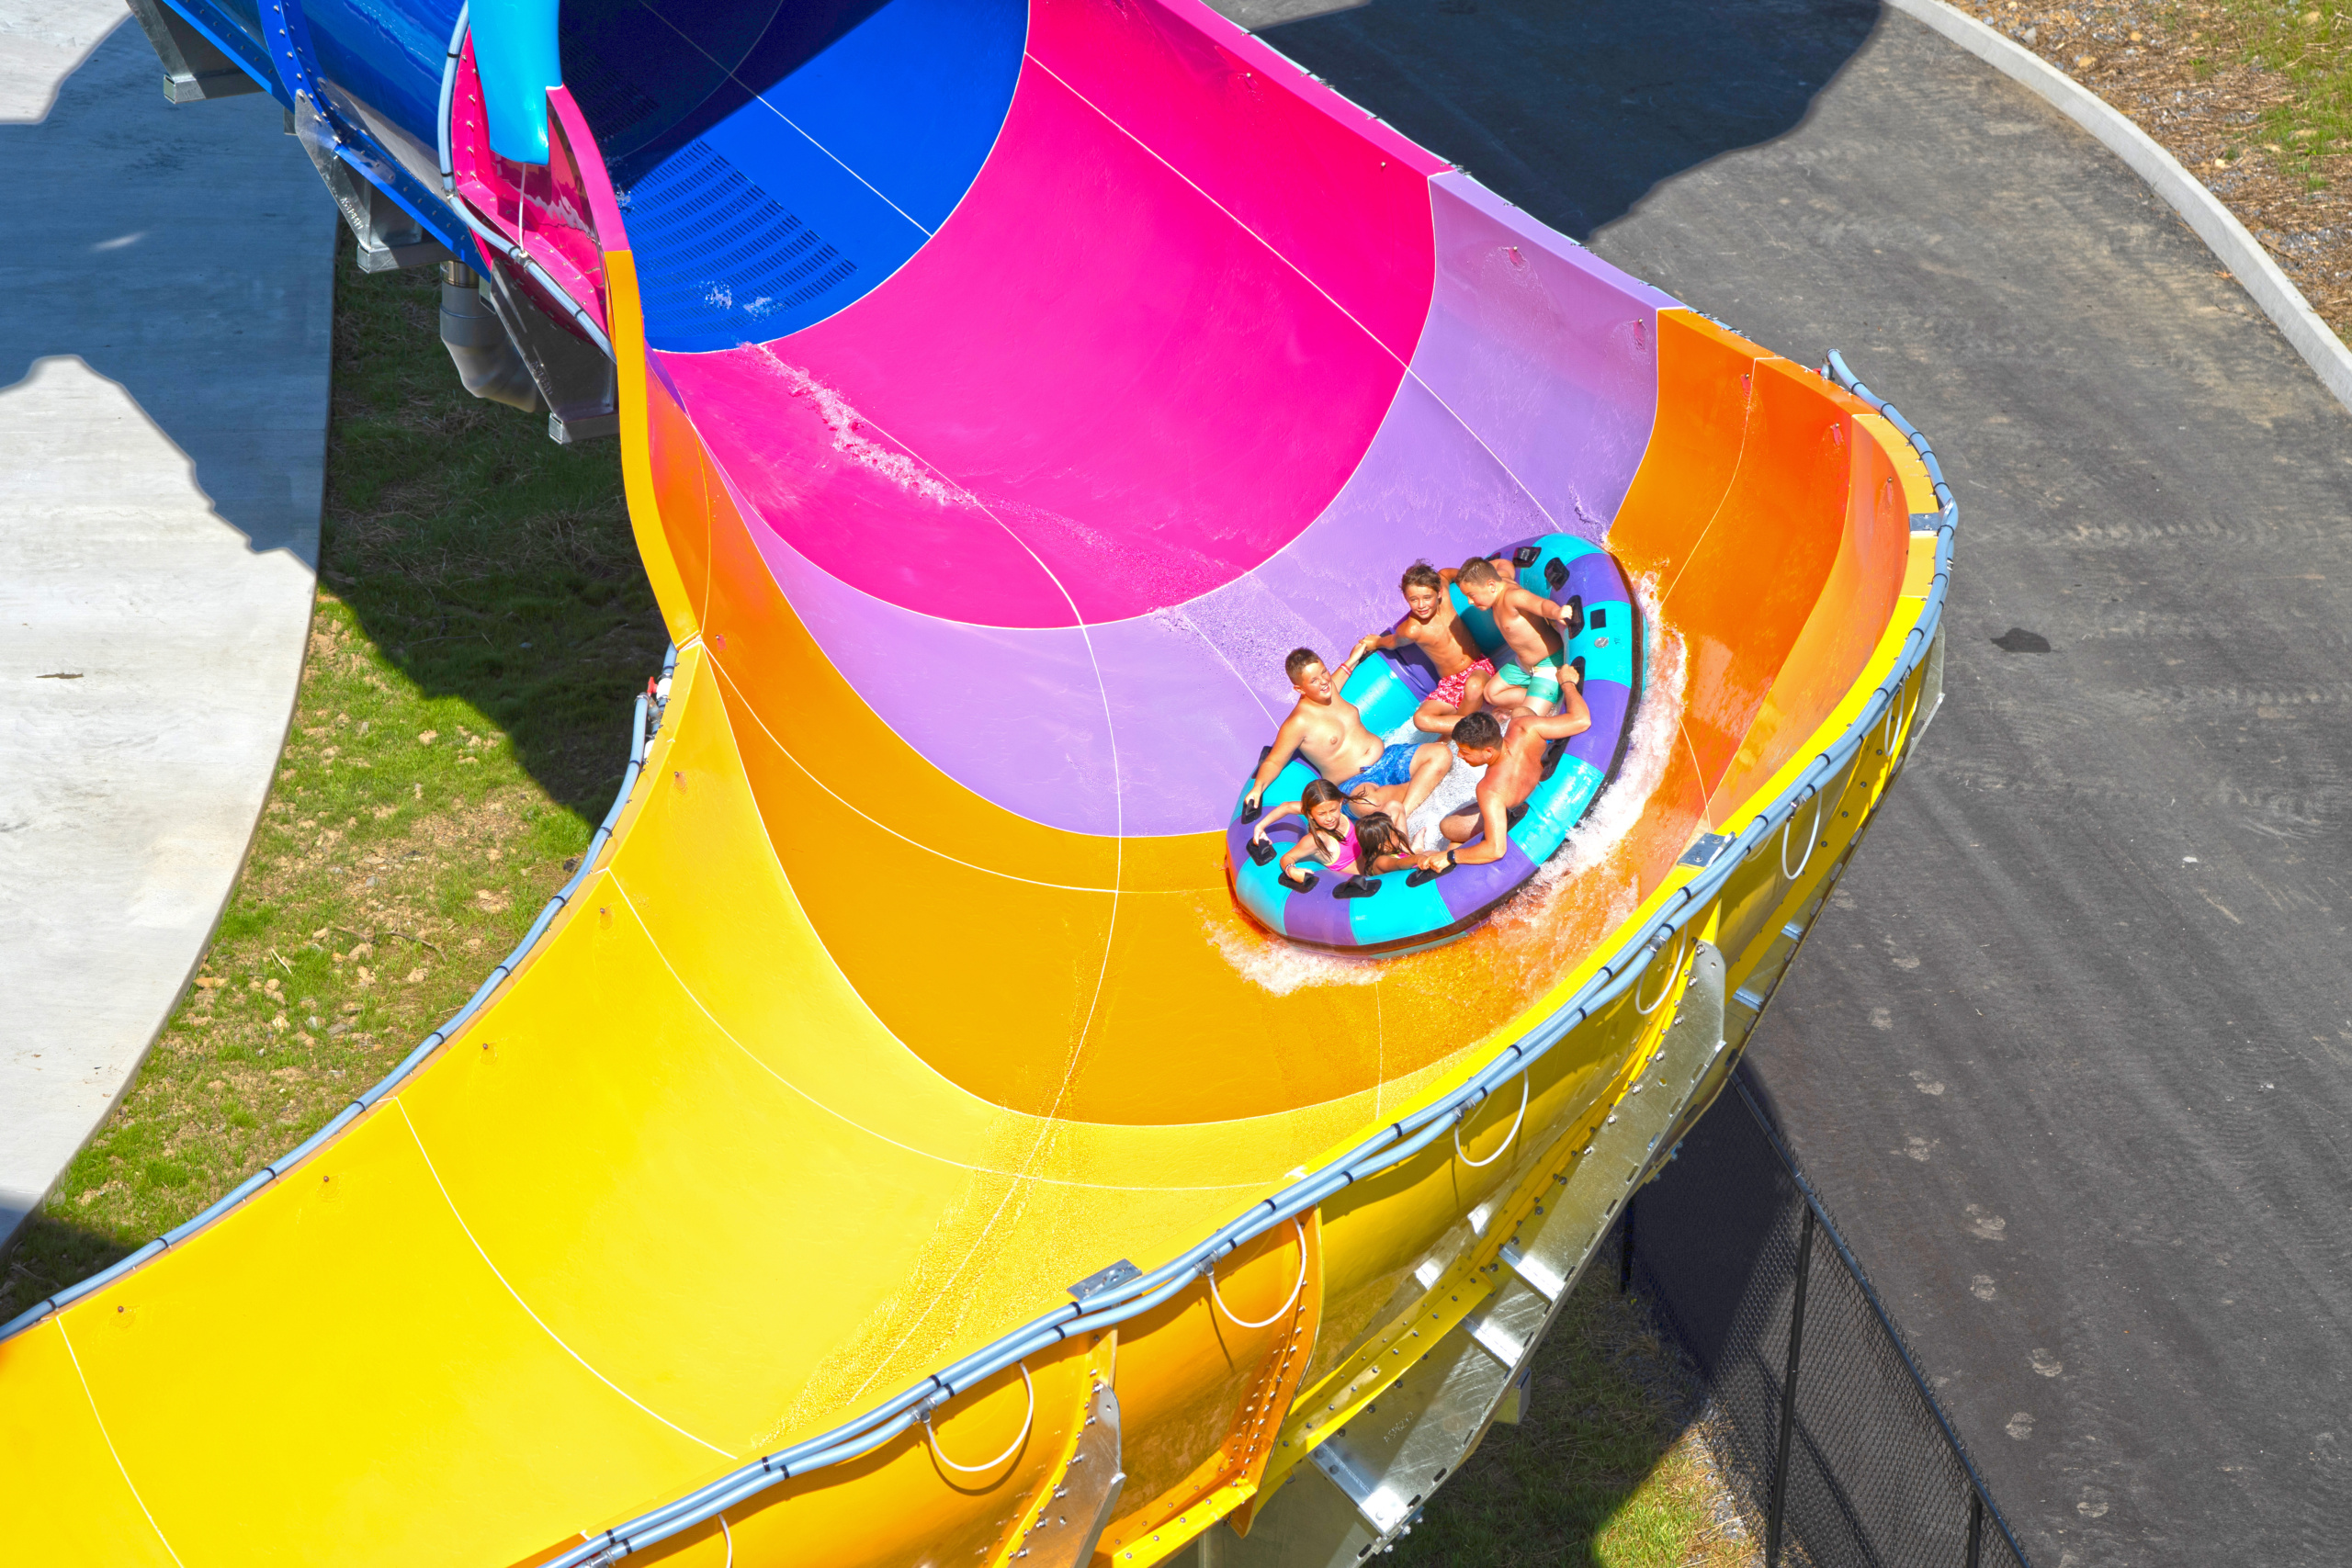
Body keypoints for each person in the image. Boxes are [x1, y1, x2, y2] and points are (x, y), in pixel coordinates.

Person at [1244, 648, 1453, 827]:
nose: (1324, 682)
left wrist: (1355, 657)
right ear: (1300, 688)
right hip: (1355, 783)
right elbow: (1274, 760)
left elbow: (1341, 674)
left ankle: (1403, 812)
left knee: (1441, 754)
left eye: (1324, 672)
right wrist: (1257, 789)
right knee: (1368, 804)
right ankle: (1421, 786)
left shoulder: (1329, 689)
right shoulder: (1297, 723)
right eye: (1314, 680)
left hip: (1388, 759)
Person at [1418, 689, 1593, 873]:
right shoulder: (1525, 727)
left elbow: (1495, 849)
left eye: (1465, 751)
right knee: (1520, 711)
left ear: (1488, 752)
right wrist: (1568, 683)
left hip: (1515, 801)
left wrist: (1451, 856)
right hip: (1536, 774)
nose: (1460, 755)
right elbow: (1582, 720)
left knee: (1448, 826)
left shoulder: (1489, 789)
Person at [1342, 561, 1496, 735]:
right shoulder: (1412, 629)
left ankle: (1458, 734)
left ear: (1438, 592)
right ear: (1406, 597)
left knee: (1474, 686)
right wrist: (1377, 642)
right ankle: (1471, 728)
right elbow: (1393, 642)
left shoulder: (1445, 598)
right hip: (1451, 684)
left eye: (1427, 598)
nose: (1421, 605)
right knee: (1421, 719)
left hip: (1477, 667)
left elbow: (1445, 573)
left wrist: (1477, 580)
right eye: (1413, 600)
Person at [1453, 557, 1577, 716]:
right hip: (1524, 665)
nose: (1470, 602)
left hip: (1548, 663)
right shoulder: (1500, 580)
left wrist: (1557, 612)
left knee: (1526, 717)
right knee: (1491, 694)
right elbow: (1505, 564)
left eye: (1471, 595)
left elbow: (1539, 604)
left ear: (1491, 585)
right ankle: (1539, 696)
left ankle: (1546, 699)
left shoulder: (1512, 596)